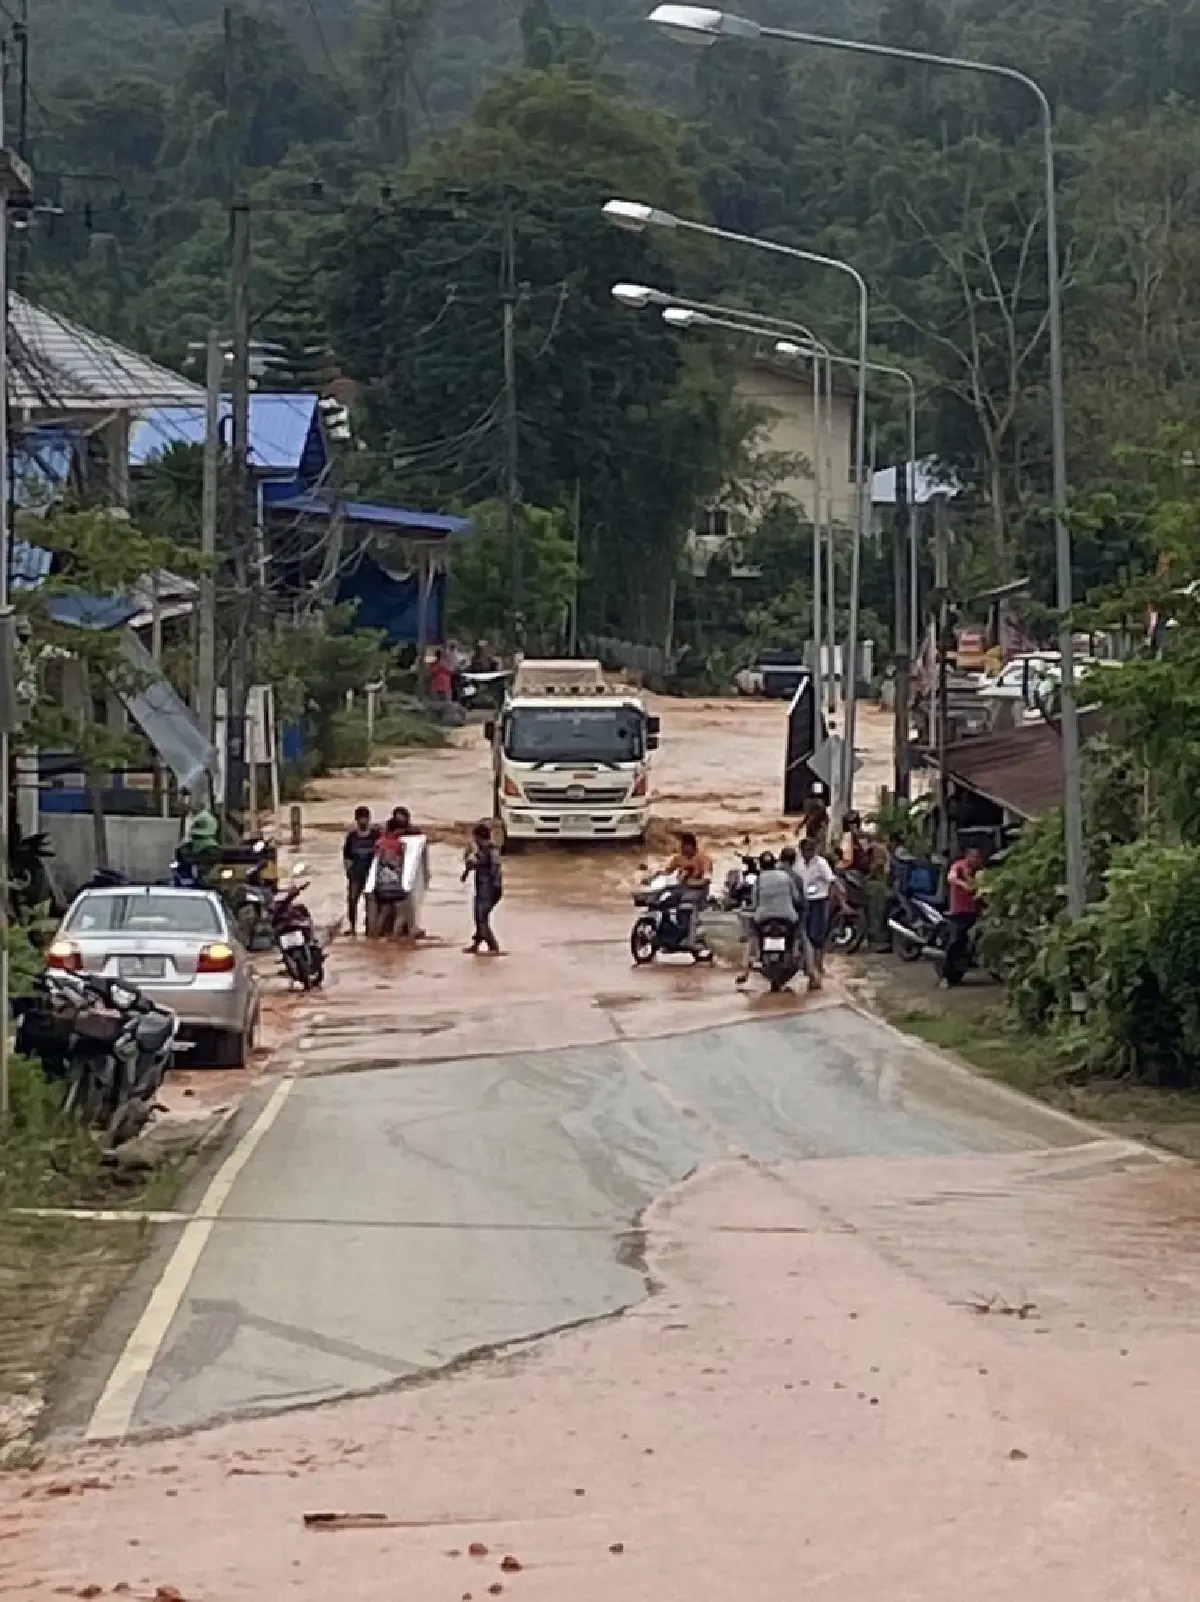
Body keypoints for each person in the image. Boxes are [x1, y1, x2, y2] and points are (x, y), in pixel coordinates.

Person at [736, 848, 805, 985]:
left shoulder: (759, 879)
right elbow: (796, 898)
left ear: (760, 866)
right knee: (799, 933)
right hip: (787, 917)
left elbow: (755, 903)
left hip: (763, 919)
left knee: (752, 936)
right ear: (775, 863)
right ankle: (802, 959)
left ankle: (746, 969)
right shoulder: (787, 877)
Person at [798, 834, 836, 989]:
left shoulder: (821, 863)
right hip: (803, 902)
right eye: (805, 850)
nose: (808, 852)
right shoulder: (798, 863)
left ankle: (818, 965)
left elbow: (831, 881)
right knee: (804, 934)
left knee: (817, 935)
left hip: (819, 902)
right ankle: (808, 965)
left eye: (811, 850)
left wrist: (833, 899)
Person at [665, 830, 714, 951]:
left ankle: (690, 938)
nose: (682, 850)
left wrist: (693, 883)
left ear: (693, 846)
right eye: (681, 847)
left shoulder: (704, 859)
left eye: (685, 847)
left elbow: (707, 879)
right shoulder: (678, 858)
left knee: (687, 903)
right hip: (681, 889)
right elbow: (666, 872)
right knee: (665, 900)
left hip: (698, 891)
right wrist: (650, 878)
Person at [942, 846, 983, 986]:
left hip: (974, 910)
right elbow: (951, 878)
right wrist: (963, 884)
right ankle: (946, 976)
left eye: (978, 857)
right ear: (968, 856)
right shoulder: (958, 866)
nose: (977, 859)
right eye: (974, 857)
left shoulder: (979, 871)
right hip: (959, 911)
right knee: (955, 942)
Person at [462, 820, 504, 954]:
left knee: (481, 918)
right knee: (478, 917)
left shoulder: (492, 851)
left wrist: (496, 887)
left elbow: (496, 869)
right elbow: (474, 865)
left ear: (478, 837)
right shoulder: (480, 851)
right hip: (481, 889)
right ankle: (477, 944)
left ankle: (493, 946)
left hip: (489, 889)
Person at [342, 805, 380, 936]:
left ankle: (370, 926)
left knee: (372, 901)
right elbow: (346, 856)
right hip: (356, 874)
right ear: (356, 820)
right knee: (352, 900)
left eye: (365, 818)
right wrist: (349, 872)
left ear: (369, 819)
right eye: (361, 819)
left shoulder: (376, 835)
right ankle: (352, 927)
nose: (363, 821)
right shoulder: (352, 837)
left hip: (372, 875)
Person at [371, 817, 408, 938]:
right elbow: (399, 863)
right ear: (397, 830)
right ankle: (394, 939)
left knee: (384, 911)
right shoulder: (398, 844)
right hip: (393, 882)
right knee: (402, 912)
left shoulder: (379, 842)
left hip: (381, 881)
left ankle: (375, 938)